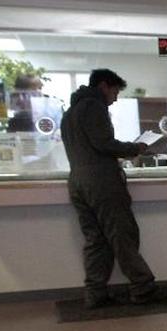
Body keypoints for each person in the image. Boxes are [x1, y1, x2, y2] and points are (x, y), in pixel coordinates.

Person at [61, 68, 159, 309]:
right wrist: (135, 148)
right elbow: (104, 144)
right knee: (122, 234)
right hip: (101, 181)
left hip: (77, 181)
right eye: (115, 91)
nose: (115, 98)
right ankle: (142, 286)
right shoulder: (94, 107)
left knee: (95, 239)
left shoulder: (70, 112)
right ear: (104, 86)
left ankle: (95, 293)